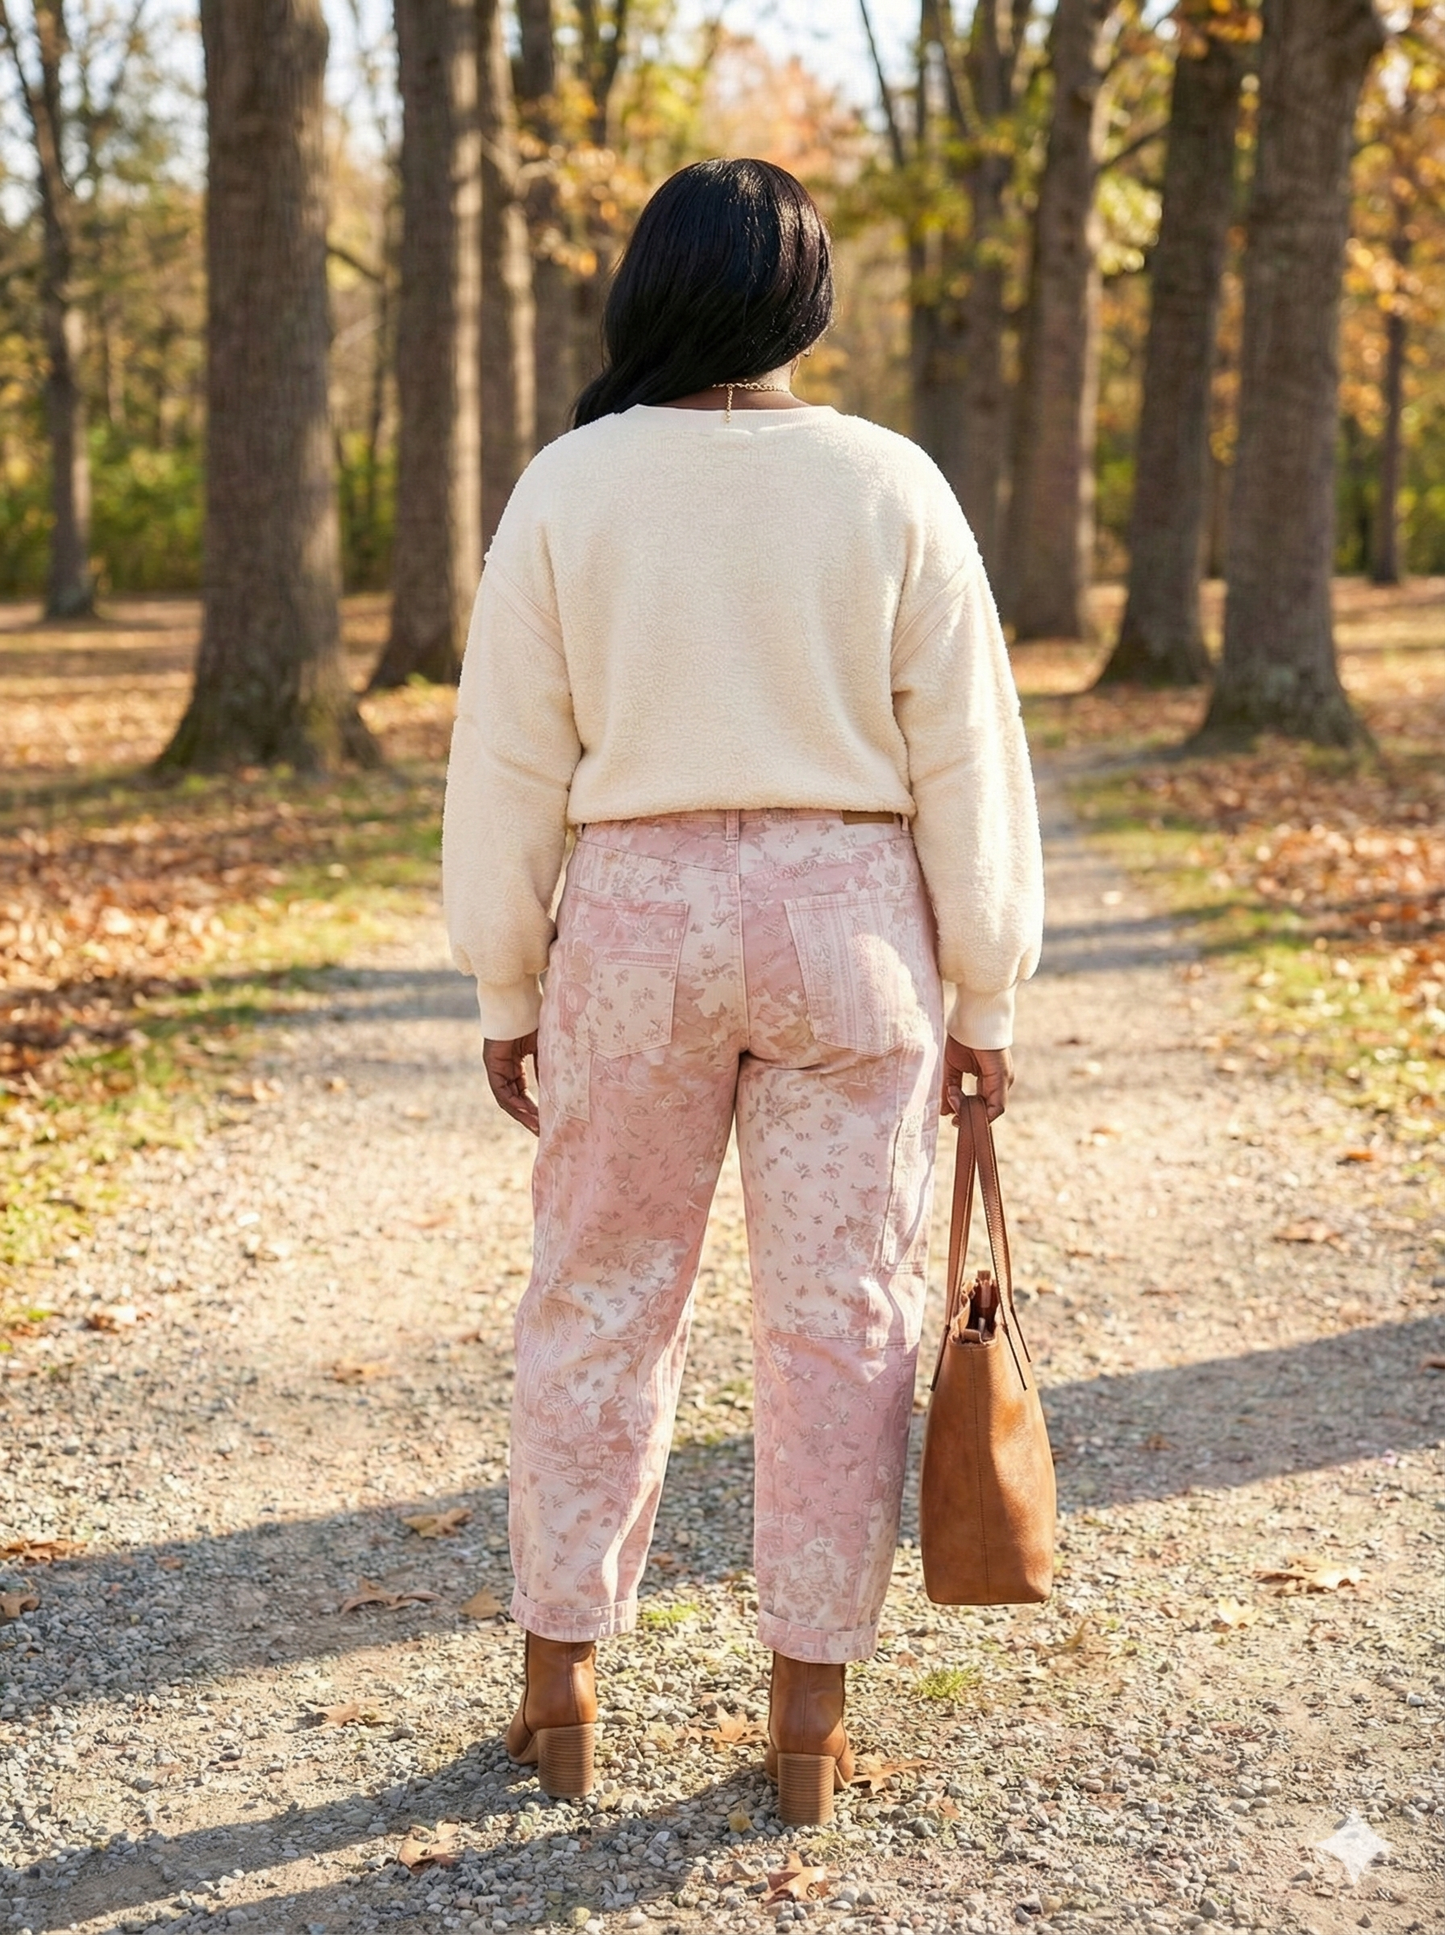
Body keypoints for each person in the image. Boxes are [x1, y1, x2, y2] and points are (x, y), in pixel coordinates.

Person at [442, 157, 1043, 1826]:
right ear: (806, 299)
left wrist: (505, 969)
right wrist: (985, 991)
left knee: (599, 1292)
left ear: (651, 290)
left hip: (634, 923)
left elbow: (508, 753)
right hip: (849, 924)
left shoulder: (571, 487)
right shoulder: (889, 482)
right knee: (838, 1318)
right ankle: (806, 1721)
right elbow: (966, 758)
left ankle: (563, 1684)